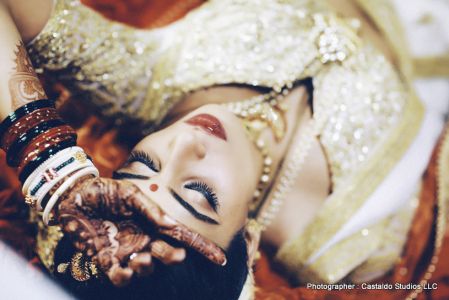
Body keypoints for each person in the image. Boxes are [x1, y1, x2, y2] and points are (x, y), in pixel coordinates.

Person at [1, 0, 449, 299]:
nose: (185, 144)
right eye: (198, 193)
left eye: (143, 164)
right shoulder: (353, 243)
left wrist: (51, 165)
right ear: (248, 241)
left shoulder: (137, 80)